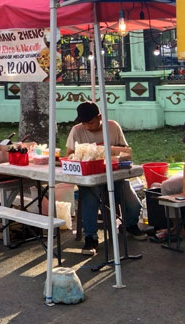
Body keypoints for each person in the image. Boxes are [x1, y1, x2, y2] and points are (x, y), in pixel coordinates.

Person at [65, 102, 146, 256]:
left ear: (100, 117)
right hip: (89, 177)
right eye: (84, 123)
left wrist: (109, 151)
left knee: (134, 204)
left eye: (91, 122)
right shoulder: (76, 131)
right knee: (90, 197)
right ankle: (91, 237)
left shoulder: (113, 127)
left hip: (114, 176)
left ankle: (129, 225)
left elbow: (126, 152)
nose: (87, 126)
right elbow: (70, 154)